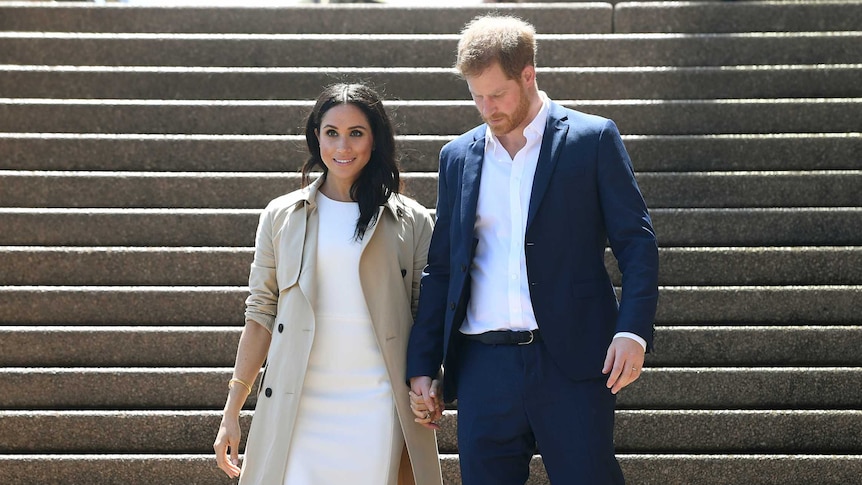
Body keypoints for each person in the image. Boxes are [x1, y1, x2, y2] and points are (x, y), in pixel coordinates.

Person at [406, 16, 659, 485]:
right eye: (476, 95)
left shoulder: (592, 138)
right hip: (483, 366)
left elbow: (636, 243)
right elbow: (441, 268)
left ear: (528, 75)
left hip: (572, 362)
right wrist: (422, 364)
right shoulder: (457, 156)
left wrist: (633, 331)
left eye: (497, 94)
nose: (487, 107)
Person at [213, 83, 443, 485]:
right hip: (297, 400)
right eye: (331, 132)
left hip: (376, 400)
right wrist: (233, 408)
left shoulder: (412, 220)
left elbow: (426, 317)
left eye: (356, 132)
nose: (343, 145)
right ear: (316, 136)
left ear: (375, 139)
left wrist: (430, 382)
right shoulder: (281, 215)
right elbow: (261, 312)